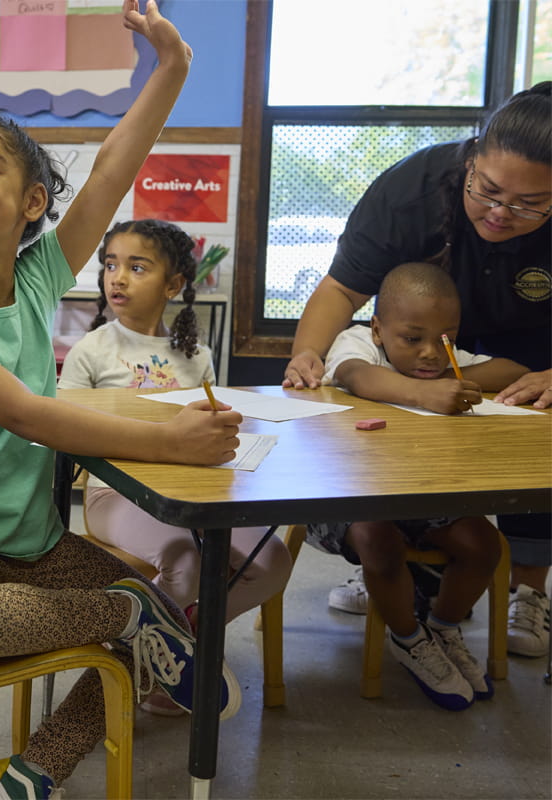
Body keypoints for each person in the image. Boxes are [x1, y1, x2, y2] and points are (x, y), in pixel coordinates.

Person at [0, 4, 241, 798]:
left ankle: (36, 767)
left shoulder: (39, 274)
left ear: (33, 203)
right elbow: (26, 414)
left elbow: (114, 167)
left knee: (166, 612)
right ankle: (126, 620)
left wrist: (174, 69)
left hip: (37, 545)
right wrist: (172, 443)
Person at [283, 82, 551, 658]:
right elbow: (341, 287)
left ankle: (529, 589)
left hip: (531, 344)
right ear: (472, 158)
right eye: (489, 191)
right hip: (430, 322)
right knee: (400, 437)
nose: (501, 213)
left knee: (536, 443)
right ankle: (398, 565)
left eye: (530, 203)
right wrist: (308, 352)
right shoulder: (415, 191)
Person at [58, 218, 293, 715]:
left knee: (272, 561)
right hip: (115, 496)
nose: (117, 277)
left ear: (173, 285)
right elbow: (66, 437)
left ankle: (175, 651)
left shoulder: (197, 356)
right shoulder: (91, 351)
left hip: (195, 493)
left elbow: (214, 429)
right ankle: (154, 667)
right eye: (110, 265)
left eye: (136, 267)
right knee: (183, 560)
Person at [306, 261, 528, 710]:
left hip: (420, 495)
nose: (430, 352)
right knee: (379, 541)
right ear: (378, 329)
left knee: (485, 542)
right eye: (412, 339)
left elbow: (511, 371)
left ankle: (442, 629)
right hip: (342, 498)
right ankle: (408, 639)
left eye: (444, 338)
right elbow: (354, 375)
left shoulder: (441, 361)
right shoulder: (357, 343)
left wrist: (450, 376)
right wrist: (422, 393)